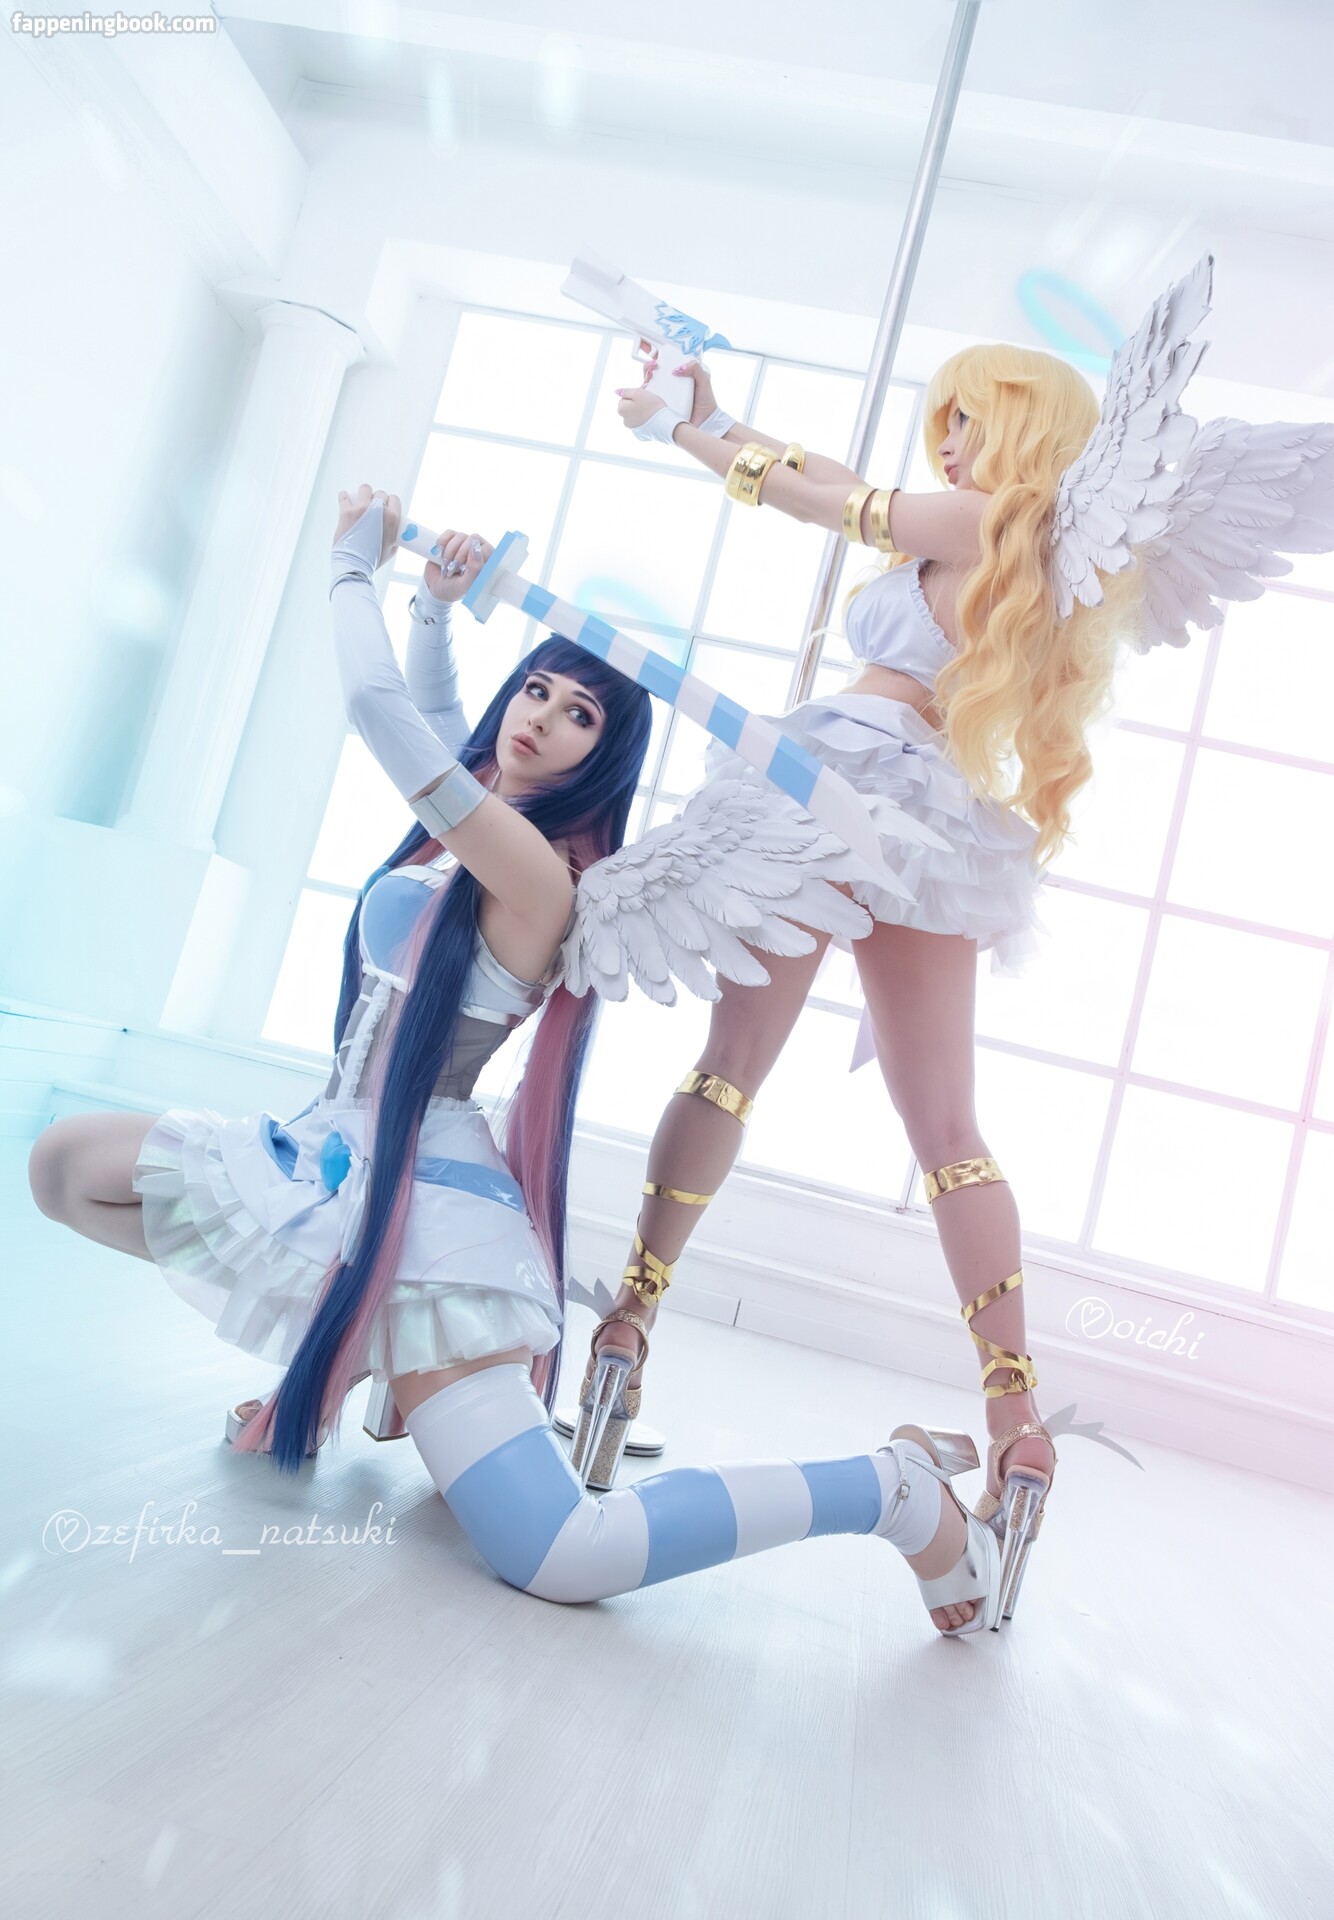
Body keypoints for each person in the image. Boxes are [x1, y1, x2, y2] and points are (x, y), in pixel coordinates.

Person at [27, 483, 1006, 1634]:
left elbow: (377, 708)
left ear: (603, 757)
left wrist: (352, 566)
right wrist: (435, 609)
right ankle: (354, 1350)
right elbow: (443, 723)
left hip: (436, 1217)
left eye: (579, 713)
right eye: (535, 688)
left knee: (562, 1552)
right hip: (336, 1157)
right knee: (67, 1166)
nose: (539, 717)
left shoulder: (537, 875)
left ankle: (892, 1491)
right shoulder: (485, 813)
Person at [600, 254, 1334, 1626]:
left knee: (731, 1071)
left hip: (834, 787)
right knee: (946, 1132)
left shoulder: (996, 517)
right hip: (927, 820)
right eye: (940, 421)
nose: (946, 442)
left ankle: (627, 1325)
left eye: (970, 419)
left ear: (1028, 435)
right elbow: (835, 480)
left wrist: (694, 432)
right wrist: (700, 413)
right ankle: (1015, 1422)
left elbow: (826, 495)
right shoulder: (1017, 553)